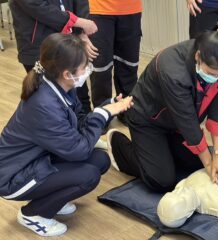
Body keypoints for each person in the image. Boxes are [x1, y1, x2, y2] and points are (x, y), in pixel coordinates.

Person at [0, 33, 133, 237]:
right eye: (84, 67)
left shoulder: (59, 85)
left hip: (38, 158)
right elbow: (78, 150)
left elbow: (77, 126)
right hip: (12, 177)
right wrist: (104, 113)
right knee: (88, 176)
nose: (87, 70)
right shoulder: (44, 104)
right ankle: (32, 214)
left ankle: (52, 199)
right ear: (66, 73)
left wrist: (108, 106)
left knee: (99, 160)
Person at [107, 21, 218, 193]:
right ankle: (118, 145)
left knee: (194, 164)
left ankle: (162, 149)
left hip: (174, 124)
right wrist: (210, 163)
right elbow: (187, 121)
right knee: (161, 180)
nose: (217, 77)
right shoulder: (173, 70)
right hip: (147, 120)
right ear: (198, 57)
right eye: (212, 74)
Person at [9, 0, 99, 113]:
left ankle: (84, 125)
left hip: (68, 41)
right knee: (50, 99)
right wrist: (77, 22)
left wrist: (81, 31)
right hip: (38, 44)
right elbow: (35, 5)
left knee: (79, 94)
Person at [80, 0, 142, 123]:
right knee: (100, 69)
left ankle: (126, 110)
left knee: (129, 65)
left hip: (131, 9)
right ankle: (102, 115)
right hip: (98, 10)